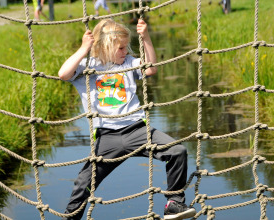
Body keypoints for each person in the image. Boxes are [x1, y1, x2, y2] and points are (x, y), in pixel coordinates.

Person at [58, 18, 196, 220]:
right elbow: (63, 73)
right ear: (105, 48)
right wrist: (83, 48)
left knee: (177, 151)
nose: (125, 51)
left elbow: (151, 69)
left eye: (126, 47)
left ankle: (174, 203)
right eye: (121, 48)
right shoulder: (88, 67)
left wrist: (146, 37)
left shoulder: (130, 63)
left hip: (137, 130)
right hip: (107, 137)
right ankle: (71, 217)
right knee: (83, 182)